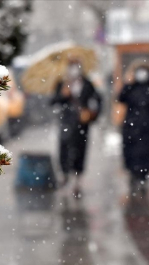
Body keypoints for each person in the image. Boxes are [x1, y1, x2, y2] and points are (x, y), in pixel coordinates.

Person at [51, 59, 102, 198]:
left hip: (82, 124)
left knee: (80, 150)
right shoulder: (62, 83)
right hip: (66, 123)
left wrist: (91, 113)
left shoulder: (87, 83)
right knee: (64, 149)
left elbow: (97, 100)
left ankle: (77, 180)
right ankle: (65, 174)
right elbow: (53, 101)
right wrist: (63, 95)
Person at [118, 62, 149, 195]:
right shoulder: (131, 88)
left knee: (145, 154)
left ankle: (142, 177)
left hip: (148, 128)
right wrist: (128, 83)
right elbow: (120, 98)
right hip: (130, 127)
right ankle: (133, 174)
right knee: (130, 152)